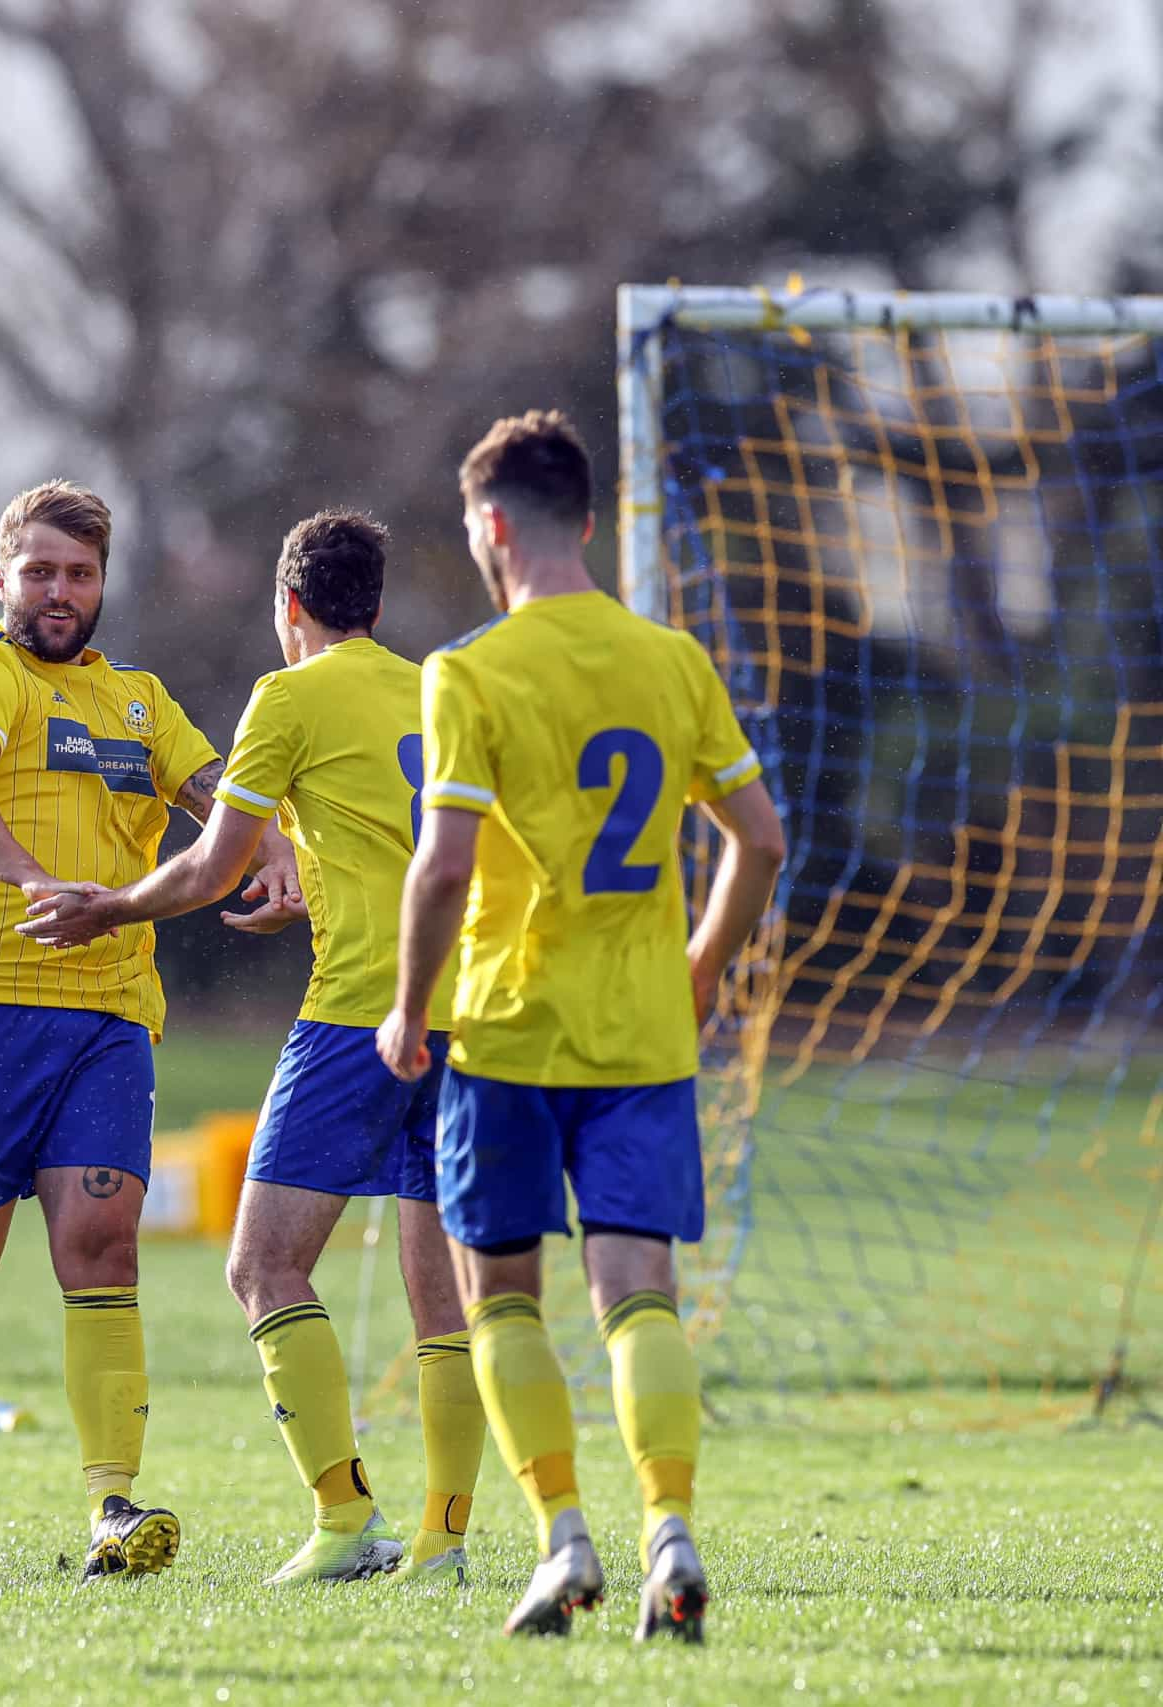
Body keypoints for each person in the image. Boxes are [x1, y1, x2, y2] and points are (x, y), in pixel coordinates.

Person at [0, 479, 300, 1580]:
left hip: (106, 1011)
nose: (57, 590)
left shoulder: (137, 700)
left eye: (78, 573)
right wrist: (40, 882)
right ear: (2, 578)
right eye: (37, 570)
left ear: (102, 584)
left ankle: (112, 1509)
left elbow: (217, 789)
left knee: (102, 1245)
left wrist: (272, 841)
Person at [377, 411, 785, 1641]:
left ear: (490, 526)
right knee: (637, 1294)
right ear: (591, 522)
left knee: (499, 1295)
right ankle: (670, 1530)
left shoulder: (471, 671)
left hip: (504, 1029)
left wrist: (405, 1005)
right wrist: (702, 962)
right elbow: (758, 840)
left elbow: (442, 868)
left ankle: (561, 1541)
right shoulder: (672, 662)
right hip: (644, 1035)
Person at [22, 510, 485, 1588]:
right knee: (443, 1297)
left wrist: (112, 909)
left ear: (288, 607)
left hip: (363, 1013)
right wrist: (310, 890)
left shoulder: (290, 694)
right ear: (374, 604)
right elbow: (412, 839)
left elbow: (211, 866)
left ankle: (341, 1520)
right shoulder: (440, 690)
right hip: (477, 1015)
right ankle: (444, 1542)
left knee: (262, 1262)